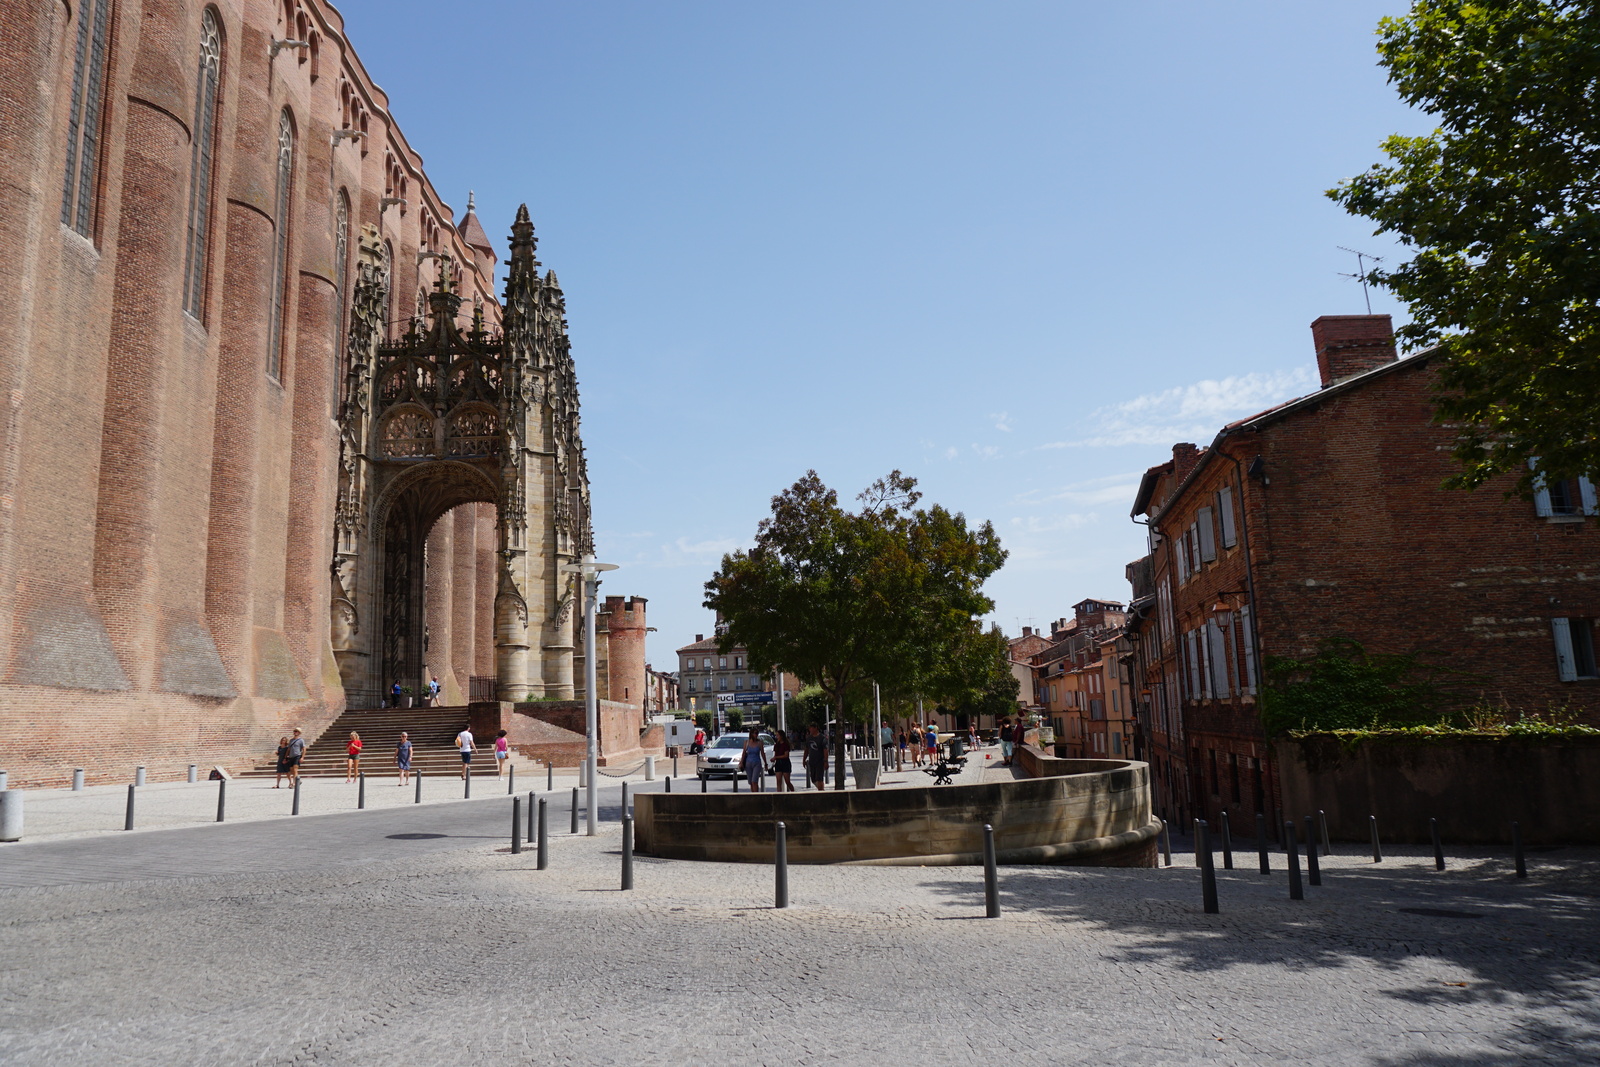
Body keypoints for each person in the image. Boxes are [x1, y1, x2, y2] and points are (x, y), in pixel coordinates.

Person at [740, 727, 767, 792]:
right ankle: (752, 796)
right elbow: (744, 753)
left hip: (757, 763)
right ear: (751, 734)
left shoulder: (760, 743)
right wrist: (741, 762)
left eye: (757, 733)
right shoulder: (746, 742)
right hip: (748, 764)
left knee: (754, 781)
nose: (756, 735)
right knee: (751, 782)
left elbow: (763, 753)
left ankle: (756, 796)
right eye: (755, 733)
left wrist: (766, 763)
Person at [804, 723, 828, 790]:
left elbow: (825, 750)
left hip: (820, 761)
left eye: (811, 728)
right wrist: (804, 759)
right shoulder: (809, 738)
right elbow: (806, 750)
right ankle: (821, 790)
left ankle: (821, 792)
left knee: (819, 779)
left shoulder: (822, 738)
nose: (809, 729)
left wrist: (826, 761)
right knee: (813, 779)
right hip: (812, 761)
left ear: (815, 728)